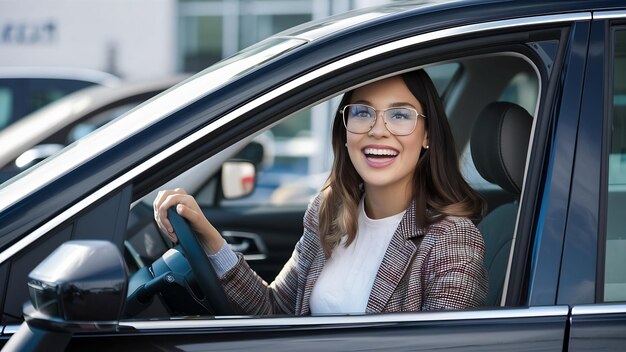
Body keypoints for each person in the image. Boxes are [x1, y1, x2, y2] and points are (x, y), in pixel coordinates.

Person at [154, 69, 488, 315]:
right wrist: (207, 236)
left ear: (428, 136)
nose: (377, 130)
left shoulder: (451, 238)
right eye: (362, 112)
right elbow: (276, 312)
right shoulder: (329, 210)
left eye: (400, 115)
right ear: (345, 130)